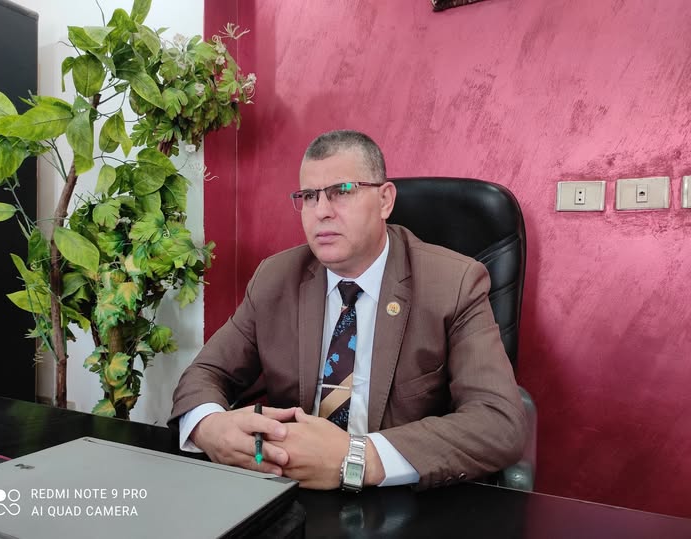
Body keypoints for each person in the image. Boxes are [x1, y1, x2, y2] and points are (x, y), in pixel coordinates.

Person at [169, 129, 526, 491]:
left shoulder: (453, 283)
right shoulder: (275, 278)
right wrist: (209, 426)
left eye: (342, 191)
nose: (322, 212)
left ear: (385, 201)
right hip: (290, 488)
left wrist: (358, 459)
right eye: (310, 196)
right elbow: (205, 374)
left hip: (399, 498)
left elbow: (498, 422)